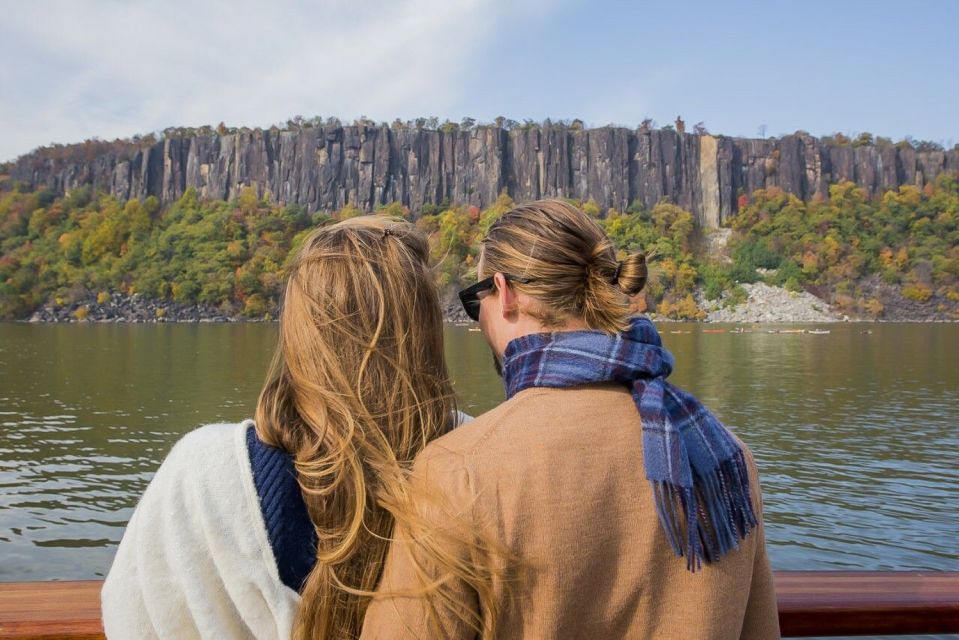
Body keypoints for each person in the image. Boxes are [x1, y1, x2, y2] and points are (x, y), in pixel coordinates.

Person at [362, 200, 780, 639]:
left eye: (475, 302)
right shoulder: (723, 455)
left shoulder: (457, 469)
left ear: (504, 293)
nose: (478, 318)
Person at [102, 216, 480, 639]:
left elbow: (130, 618)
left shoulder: (202, 471)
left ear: (297, 327)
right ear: (426, 328)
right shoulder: (478, 459)